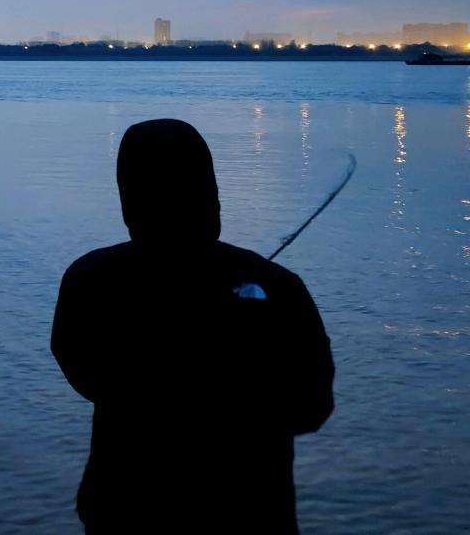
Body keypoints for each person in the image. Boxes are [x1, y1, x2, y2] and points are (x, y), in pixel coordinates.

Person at [51, 119, 335, 534]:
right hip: (251, 510)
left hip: (124, 508)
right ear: (211, 192)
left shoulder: (89, 279)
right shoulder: (277, 286)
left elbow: (86, 376)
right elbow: (312, 407)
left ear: (128, 198)